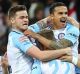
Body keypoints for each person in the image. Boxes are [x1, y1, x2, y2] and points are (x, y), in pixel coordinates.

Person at [7, 5, 71, 74]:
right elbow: (41, 56)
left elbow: (46, 21)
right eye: (21, 18)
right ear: (12, 20)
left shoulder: (28, 30)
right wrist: (64, 50)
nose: (25, 20)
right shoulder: (17, 37)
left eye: (26, 17)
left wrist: (62, 16)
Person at [24, 2, 79, 74]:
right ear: (52, 16)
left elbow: (60, 46)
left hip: (68, 68)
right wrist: (46, 20)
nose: (64, 16)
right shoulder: (45, 31)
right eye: (60, 13)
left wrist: (37, 36)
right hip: (47, 68)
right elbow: (26, 31)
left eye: (66, 13)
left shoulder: (72, 29)